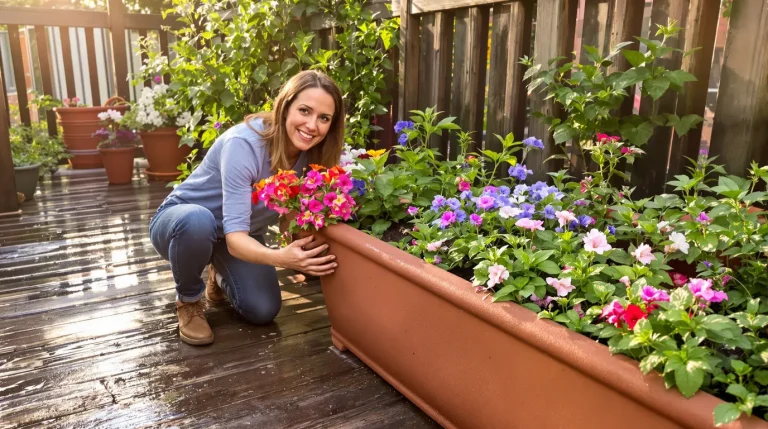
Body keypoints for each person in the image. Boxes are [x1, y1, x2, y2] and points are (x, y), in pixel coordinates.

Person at [149, 70, 345, 346]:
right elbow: (235, 239)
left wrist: (304, 244)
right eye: (304, 110)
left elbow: (291, 216)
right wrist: (282, 258)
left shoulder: (314, 155)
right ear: (285, 107)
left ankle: (217, 275)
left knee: (263, 309)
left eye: (324, 118)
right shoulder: (244, 145)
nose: (312, 125)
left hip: (238, 234)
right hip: (181, 226)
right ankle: (189, 300)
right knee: (198, 220)